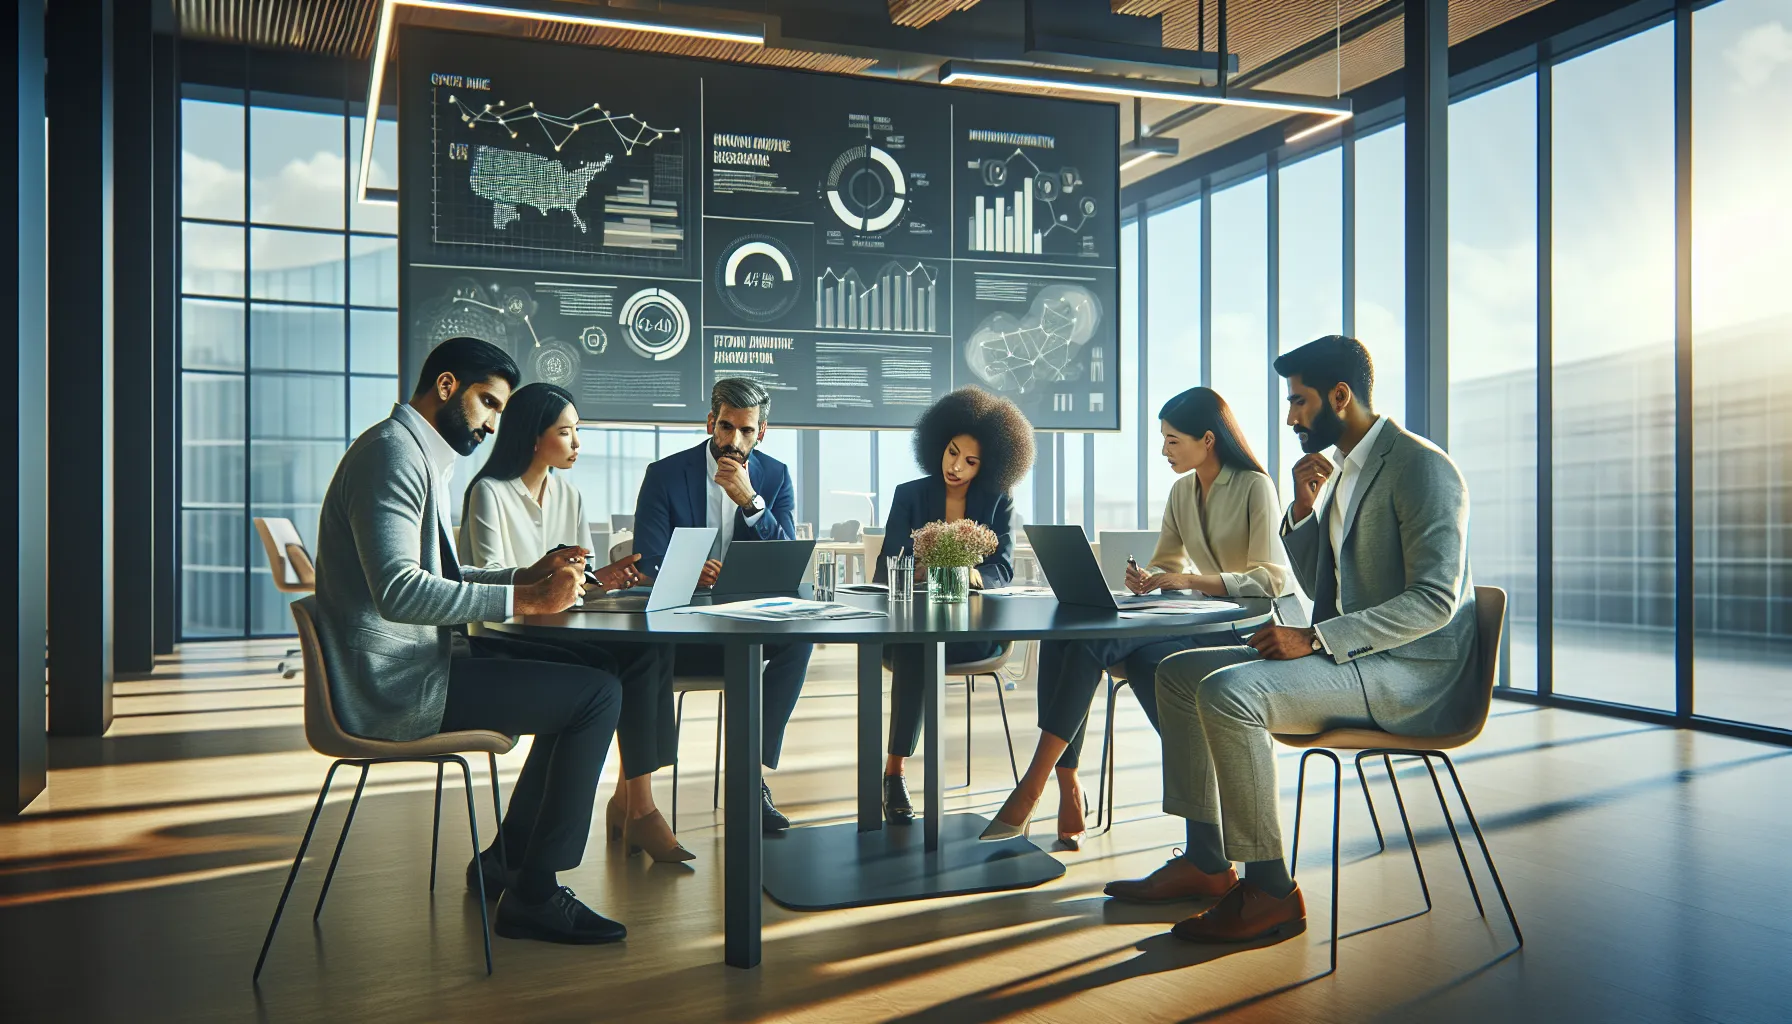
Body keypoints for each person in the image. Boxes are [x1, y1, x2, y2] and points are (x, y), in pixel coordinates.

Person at [1106, 335, 1480, 949]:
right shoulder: (1340, 473)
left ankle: (1270, 890)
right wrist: (1305, 513)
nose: (1290, 418)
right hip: (1351, 656)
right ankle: (1206, 860)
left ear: (1341, 395)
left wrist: (1316, 637)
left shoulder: (1420, 467)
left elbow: (1435, 601)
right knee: (1176, 673)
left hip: (1408, 671)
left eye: (1299, 402)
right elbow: (1319, 584)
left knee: (1231, 693)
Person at [312, 337, 639, 946]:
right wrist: (527, 601)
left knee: (596, 667)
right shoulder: (392, 456)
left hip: (421, 661)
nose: (493, 425)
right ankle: (534, 894)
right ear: (446, 386)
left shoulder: (411, 451)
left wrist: (525, 576)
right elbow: (400, 592)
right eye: (488, 403)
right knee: (596, 695)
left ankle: (505, 860)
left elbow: (443, 577)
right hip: (398, 683)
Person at [981, 387, 1290, 848]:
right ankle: (1067, 782)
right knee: (1064, 635)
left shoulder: (1254, 486)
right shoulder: (1182, 491)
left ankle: (1033, 786)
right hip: (1188, 619)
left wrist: (1189, 580)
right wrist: (1148, 577)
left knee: (1094, 642)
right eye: (1163, 440)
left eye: (1173, 440)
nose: (1164, 451)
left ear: (1208, 439)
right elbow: (1168, 562)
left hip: (1238, 628)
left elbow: (1270, 578)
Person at [459, 382, 689, 864]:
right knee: (604, 675)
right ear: (533, 437)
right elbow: (489, 583)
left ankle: (638, 803)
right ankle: (631, 812)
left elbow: (577, 582)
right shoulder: (488, 493)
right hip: (502, 637)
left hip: (557, 632)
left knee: (649, 650)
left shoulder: (570, 494)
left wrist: (603, 580)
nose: (577, 443)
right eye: (565, 432)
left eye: (576, 431)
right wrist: (550, 582)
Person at [631, 377, 809, 832]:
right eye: (726, 427)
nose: (734, 441)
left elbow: (785, 559)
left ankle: (749, 776)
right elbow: (647, 561)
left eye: (746, 430)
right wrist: (691, 572)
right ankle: (640, 801)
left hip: (744, 628)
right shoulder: (665, 475)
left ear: (761, 432)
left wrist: (750, 501)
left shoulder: (775, 476)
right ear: (711, 422)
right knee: (639, 651)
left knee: (798, 641)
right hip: (681, 632)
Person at [873, 387, 1035, 827]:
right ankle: (894, 773)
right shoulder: (909, 495)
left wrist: (971, 574)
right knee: (917, 644)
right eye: (951, 452)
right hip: (912, 631)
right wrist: (922, 570)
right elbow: (887, 567)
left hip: (971, 634)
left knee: (922, 644)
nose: (956, 466)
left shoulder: (998, 500)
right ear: (937, 445)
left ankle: (893, 773)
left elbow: (1002, 568)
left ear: (990, 465)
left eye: (971, 461)